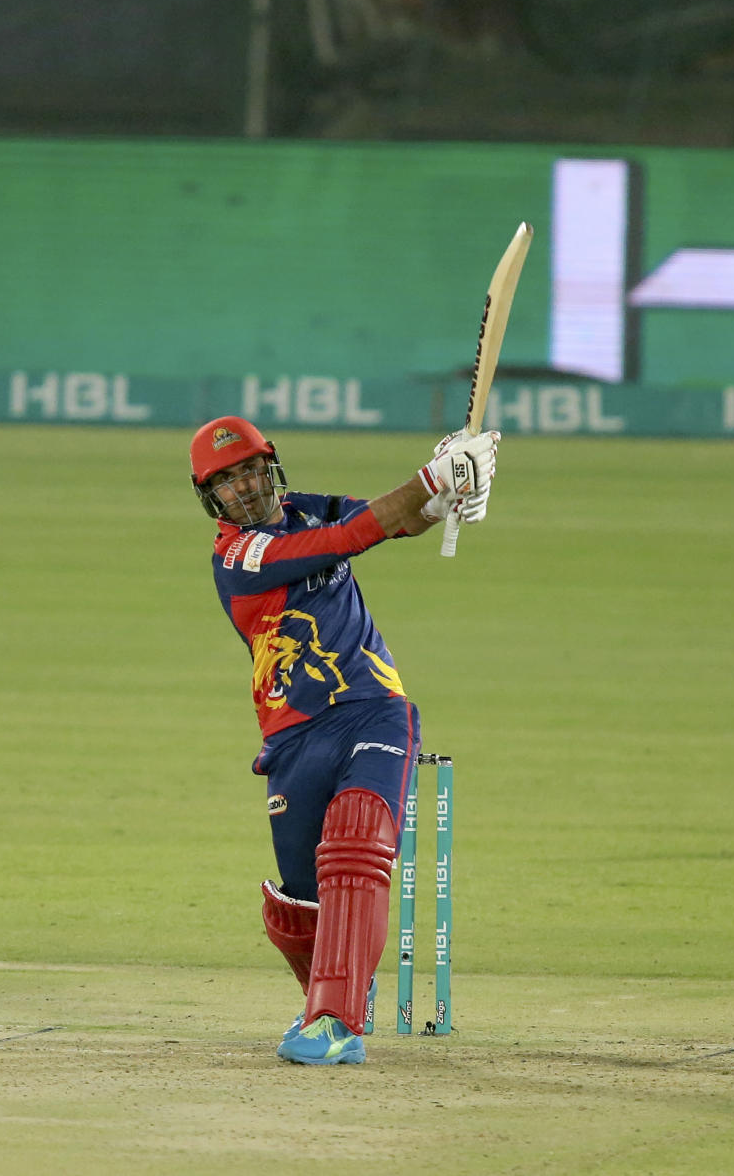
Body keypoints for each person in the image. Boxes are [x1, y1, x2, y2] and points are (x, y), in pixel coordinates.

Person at [188, 415, 499, 1065]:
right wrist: (428, 481)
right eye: (226, 482)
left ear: (270, 465)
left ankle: (336, 1020)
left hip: (372, 709)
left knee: (356, 841)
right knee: (299, 904)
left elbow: (392, 520)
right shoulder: (236, 556)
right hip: (294, 737)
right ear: (211, 499)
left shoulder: (308, 510)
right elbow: (352, 537)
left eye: (248, 469)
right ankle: (333, 988)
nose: (243, 488)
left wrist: (450, 493)